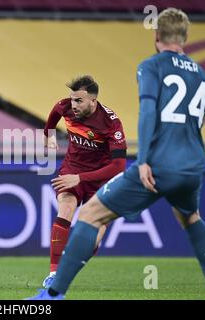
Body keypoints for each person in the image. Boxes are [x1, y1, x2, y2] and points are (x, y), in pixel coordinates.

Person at [28, 7, 205, 300]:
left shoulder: (150, 66)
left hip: (158, 164)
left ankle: (53, 294)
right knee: (192, 218)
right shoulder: (202, 75)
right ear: (184, 38)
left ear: (157, 36)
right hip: (192, 167)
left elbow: (147, 112)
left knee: (92, 214)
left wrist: (144, 159)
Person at [42, 75, 127, 288]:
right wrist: (48, 135)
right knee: (66, 207)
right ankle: (53, 274)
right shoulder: (66, 107)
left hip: (100, 177)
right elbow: (55, 112)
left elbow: (118, 167)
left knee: (95, 233)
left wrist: (79, 178)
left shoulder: (111, 124)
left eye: (79, 100)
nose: (73, 105)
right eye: (72, 99)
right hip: (73, 167)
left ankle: (68, 270)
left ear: (93, 101)